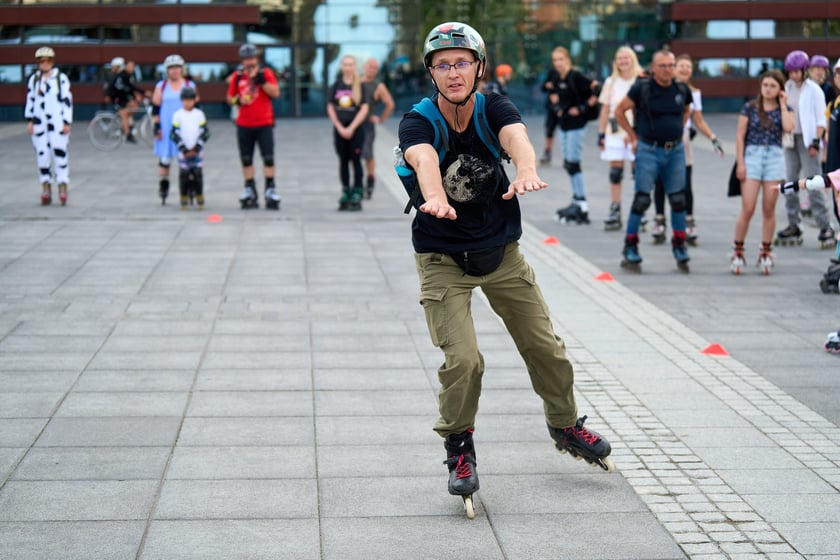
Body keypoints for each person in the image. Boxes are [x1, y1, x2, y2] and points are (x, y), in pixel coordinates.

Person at [398, 21, 613, 517]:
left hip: (501, 253)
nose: (453, 73)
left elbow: (516, 137)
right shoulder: (418, 119)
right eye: (442, 65)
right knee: (465, 361)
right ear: (431, 72)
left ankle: (564, 424)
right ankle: (459, 447)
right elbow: (424, 158)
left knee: (546, 347)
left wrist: (528, 169)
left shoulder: (493, 106)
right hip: (443, 260)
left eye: (461, 62)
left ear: (478, 66)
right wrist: (434, 197)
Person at [614, 50, 692, 273]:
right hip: (648, 149)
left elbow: (686, 111)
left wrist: (677, 131)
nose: (668, 69)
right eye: (663, 65)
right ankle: (630, 247)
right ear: (654, 67)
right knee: (641, 200)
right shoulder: (643, 88)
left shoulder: (681, 89)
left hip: (675, 150)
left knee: (678, 199)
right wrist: (632, 136)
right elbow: (620, 111)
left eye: (671, 65)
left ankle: (679, 245)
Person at [650, 54, 725, 246]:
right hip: (660, 138)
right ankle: (659, 220)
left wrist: (713, 138)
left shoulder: (693, 92)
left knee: (685, 183)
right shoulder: (661, 88)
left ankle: (689, 221)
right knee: (660, 181)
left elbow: (698, 120)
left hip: (681, 141)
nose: (684, 69)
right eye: (681, 66)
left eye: (688, 67)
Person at [731, 70, 794, 275]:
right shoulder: (749, 108)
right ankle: (738, 249)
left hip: (775, 157)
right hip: (752, 155)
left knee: (769, 208)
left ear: (780, 90)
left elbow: (788, 127)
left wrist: (783, 104)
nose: (768, 89)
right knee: (747, 208)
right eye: (765, 84)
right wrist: (741, 163)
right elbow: (740, 136)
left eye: (773, 86)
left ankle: (766, 250)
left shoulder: (785, 108)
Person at [776, 50, 833, 248]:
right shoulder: (786, 87)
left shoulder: (814, 90)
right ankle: (794, 224)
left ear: (804, 70)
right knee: (790, 183)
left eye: (796, 72)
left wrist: (816, 142)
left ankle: (825, 226)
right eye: (790, 72)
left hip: (808, 141)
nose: (793, 75)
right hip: (790, 139)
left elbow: (820, 119)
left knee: (812, 183)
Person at [540, 46, 599, 224]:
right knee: (568, 164)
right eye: (555, 60)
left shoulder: (576, 76)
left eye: (561, 59)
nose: (558, 63)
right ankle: (576, 200)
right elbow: (552, 93)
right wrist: (558, 109)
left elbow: (597, 90)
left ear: (567, 59)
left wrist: (582, 108)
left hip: (576, 125)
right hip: (564, 125)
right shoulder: (558, 77)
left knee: (573, 163)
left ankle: (582, 204)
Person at [227, 43, 281, 210]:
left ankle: (270, 189)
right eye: (246, 59)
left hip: (264, 122)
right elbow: (230, 97)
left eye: (251, 58)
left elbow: (276, 93)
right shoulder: (237, 76)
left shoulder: (266, 73)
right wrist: (238, 101)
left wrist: (262, 81)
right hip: (244, 123)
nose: (249, 62)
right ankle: (249, 188)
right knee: (246, 158)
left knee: (268, 157)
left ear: (256, 59)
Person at [597, 46, 643, 231]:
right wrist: (601, 133)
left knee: (637, 172)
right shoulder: (611, 81)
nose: (623, 61)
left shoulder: (640, 80)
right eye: (620, 58)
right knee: (615, 173)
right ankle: (615, 208)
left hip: (634, 130)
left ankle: (640, 209)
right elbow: (606, 108)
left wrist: (636, 132)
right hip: (614, 131)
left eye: (627, 57)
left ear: (633, 59)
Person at [25, 46, 73, 206]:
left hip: (57, 124)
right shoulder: (34, 80)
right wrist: (30, 120)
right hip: (40, 124)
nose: (45, 63)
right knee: (42, 156)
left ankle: (62, 187)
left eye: (48, 61)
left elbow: (67, 101)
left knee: (60, 155)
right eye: (42, 61)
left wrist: (67, 122)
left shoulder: (61, 79)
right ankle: (45, 188)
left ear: (52, 62)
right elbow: (30, 99)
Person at [153, 54, 197, 205]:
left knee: (187, 159)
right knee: (165, 159)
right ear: (167, 70)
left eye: (177, 68)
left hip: (185, 128)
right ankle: (164, 185)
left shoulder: (189, 85)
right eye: (172, 68)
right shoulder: (161, 86)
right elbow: (156, 108)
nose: (175, 71)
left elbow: (196, 108)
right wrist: (157, 127)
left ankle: (189, 188)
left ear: (181, 69)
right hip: (166, 127)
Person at [326, 55, 370, 211]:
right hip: (340, 129)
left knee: (356, 161)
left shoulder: (360, 86)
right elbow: (330, 107)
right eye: (345, 64)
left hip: (356, 130)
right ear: (341, 66)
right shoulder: (336, 85)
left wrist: (351, 128)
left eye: (351, 64)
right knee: (343, 161)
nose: (348, 67)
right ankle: (346, 190)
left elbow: (364, 108)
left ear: (354, 66)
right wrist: (339, 127)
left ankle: (357, 190)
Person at [360, 57, 395, 199]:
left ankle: (370, 180)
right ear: (364, 67)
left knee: (367, 154)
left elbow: (390, 104)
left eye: (375, 67)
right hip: (354, 124)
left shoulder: (378, 86)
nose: (372, 69)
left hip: (368, 125)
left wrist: (380, 119)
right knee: (354, 155)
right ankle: (357, 183)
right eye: (370, 66)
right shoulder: (356, 84)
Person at [170, 87, 209, 210]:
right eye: (185, 100)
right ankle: (183, 196)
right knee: (184, 174)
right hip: (184, 150)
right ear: (182, 100)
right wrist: (183, 148)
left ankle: (199, 195)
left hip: (197, 149)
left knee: (197, 173)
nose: (188, 103)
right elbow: (174, 133)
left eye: (190, 100)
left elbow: (205, 132)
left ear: (195, 100)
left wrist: (197, 147)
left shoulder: (199, 114)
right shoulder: (178, 115)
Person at [104, 56, 144, 143]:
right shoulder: (115, 76)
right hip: (117, 98)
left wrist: (135, 95)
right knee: (124, 115)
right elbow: (112, 88)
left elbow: (128, 87)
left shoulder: (123, 75)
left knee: (133, 107)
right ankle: (128, 135)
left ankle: (125, 126)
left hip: (122, 97)